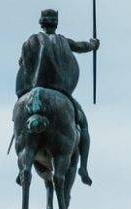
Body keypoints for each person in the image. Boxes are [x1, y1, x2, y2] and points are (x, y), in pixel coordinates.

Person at [15, 9, 99, 185]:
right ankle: (83, 167)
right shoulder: (63, 41)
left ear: (41, 22)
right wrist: (92, 45)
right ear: (55, 23)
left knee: (19, 119)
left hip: (32, 91)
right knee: (83, 125)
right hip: (59, 91)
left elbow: (22, 64)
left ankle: (23, 164)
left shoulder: (30, 42)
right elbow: (81, 46)